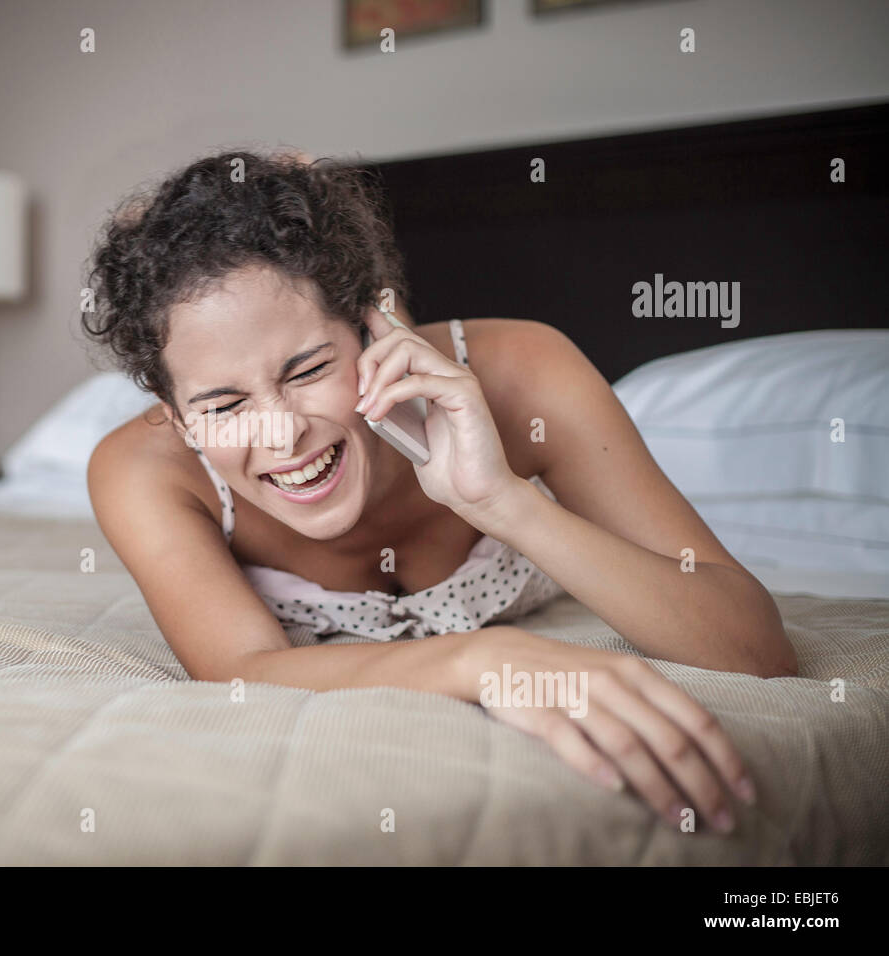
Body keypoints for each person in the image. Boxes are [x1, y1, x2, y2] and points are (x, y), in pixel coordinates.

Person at [83, 149, 797, 834]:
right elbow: (245, 673)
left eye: (307, 370)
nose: (279, 437)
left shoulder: (526, 373)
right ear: (177, 416)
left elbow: (755, 651)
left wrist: (497, 501)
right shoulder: (142, 471)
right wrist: (483, 661)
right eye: (223, 403)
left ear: (373, 328)